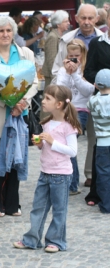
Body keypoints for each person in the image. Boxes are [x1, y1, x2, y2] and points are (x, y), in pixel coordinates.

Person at [0, 16, 38, 217]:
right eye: (0, 31)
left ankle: (13, 203)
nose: (5, 34)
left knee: (16, 160)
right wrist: (8, 102)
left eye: (8, 30)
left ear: (14, 33)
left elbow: (34, 82)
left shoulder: (25, 53)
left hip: (19, 115)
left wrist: (22, 103)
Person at [13, 85, 81, 253]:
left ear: (58, 104)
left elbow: (72, 151)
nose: (42, 101)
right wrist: (40, 144)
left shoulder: (68, 126)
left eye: (47, 99)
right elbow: (46, 147)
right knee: (38, 208)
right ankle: (31, 239)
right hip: (45, 172)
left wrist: (52, 142)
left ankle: (56, 241)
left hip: (62, 175)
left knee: (59, 210)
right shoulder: (47, 123)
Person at [54, 39, 94, 195]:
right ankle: (71, 183)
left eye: (76, 56)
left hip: (81, 110)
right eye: (70, 56)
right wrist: (66, 72)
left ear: (83, 55)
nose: (73, 59)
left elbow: (88, 91)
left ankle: (72, 183)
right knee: (66, 145)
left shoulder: (86, 69)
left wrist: (76, 75)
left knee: (70, 143)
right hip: (65, 110)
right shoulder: (63, 70)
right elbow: (60, 91)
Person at [84, 8, 110, 191]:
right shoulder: (97, 43)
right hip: (103, 100)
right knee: (99, 143)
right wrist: (105, 80)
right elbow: (89, 71)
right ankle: (98, 189)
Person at [87, 69, 110, 213]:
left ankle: (106, 205)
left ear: (95, 85)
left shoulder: (92, 101)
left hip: (101, 143)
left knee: (103, 174)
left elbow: (89, 107)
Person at [42, 10, 70, 88]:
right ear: (58, 24)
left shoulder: (58, 35)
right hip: (53, 76)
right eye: (66, 21)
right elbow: (51, 60)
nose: (69, 23)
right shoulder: (53, 37)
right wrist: (55, 79)